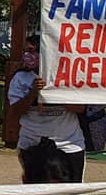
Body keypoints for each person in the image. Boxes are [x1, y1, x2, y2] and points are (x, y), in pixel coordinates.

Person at [9, 40, 86, 184]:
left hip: (69, 144)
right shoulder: (20, 77)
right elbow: (15, 111)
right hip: (32, 144)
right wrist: (33, 93)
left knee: (72, 193)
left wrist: (54, 94)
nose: (28, 55)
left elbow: (80, 108)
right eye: (25, 52)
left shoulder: (69, 75)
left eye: (32, 51)